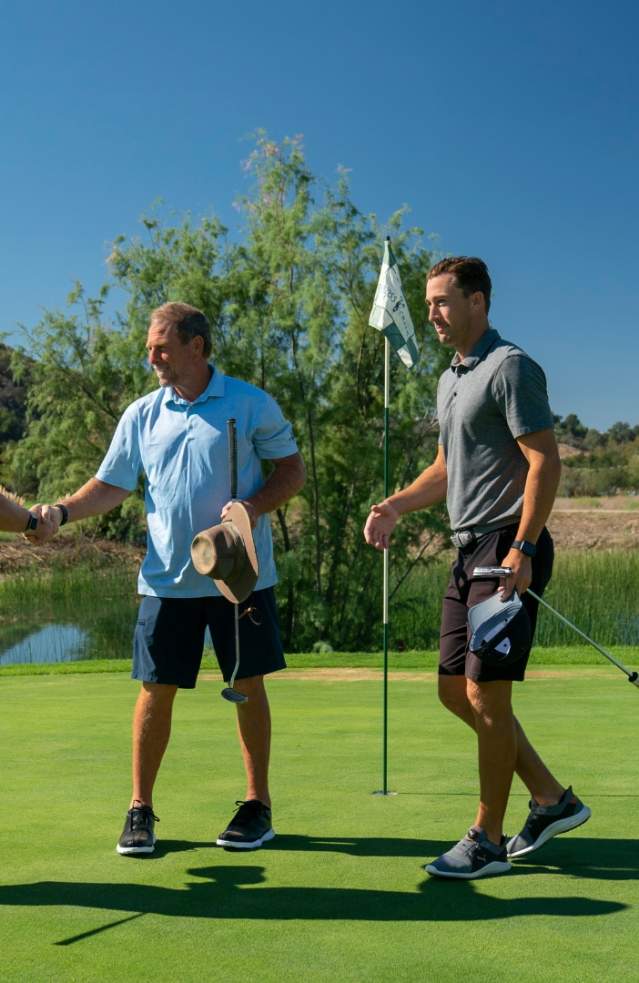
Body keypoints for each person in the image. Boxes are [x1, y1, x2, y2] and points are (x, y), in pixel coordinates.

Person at [34, 302, 305, 855]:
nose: (151, 356)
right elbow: (110, 485)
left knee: (247, 687)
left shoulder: (250, 404)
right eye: (150, 346)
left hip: (239, 578)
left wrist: (251, 508)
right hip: (166, 581)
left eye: (161, 346)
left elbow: (291, 470)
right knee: (154, 692)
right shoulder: (142, 414)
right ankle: (140, 809)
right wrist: (61, 512)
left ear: (197, 346)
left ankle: (258, 806)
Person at [364, 257, 590, 879]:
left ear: (478, 302)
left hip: (504, 547)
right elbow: (444, 469)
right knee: (451, 690)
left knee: (488, 696)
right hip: (466, 551)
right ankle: (550, 799)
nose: (432, 313)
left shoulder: (510, 367)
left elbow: (544, 462)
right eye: (429, 302)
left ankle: (487, 838)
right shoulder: (451, 378)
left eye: (441, 301)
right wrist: (395, 505)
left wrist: (523, 548)